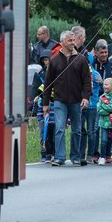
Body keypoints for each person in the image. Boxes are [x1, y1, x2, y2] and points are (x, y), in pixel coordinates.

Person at [44, 30, 91, 166]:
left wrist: (86, 97)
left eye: (73, 40)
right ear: (62, 42)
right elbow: (48, 83)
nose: (72, 43)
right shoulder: (54, 60)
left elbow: (87, 81)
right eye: (69, 40)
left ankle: (75, 156)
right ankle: (59, 157)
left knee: (77, 129)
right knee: (59, 128)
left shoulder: (81, 59)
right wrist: (46, 103)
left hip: (77, 100)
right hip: (60, 100)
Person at [85, 40, 110, 163]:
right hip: (88, 102)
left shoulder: (111, 64)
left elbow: (104, 85)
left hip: (101, 102)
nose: (104, 54)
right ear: (96, 53)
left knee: (98, 129)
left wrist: (102, 84)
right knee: (91, 130)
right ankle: (90, 153)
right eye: (102, 52)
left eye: (106, 52)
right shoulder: (91, 63)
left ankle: (101, 153)